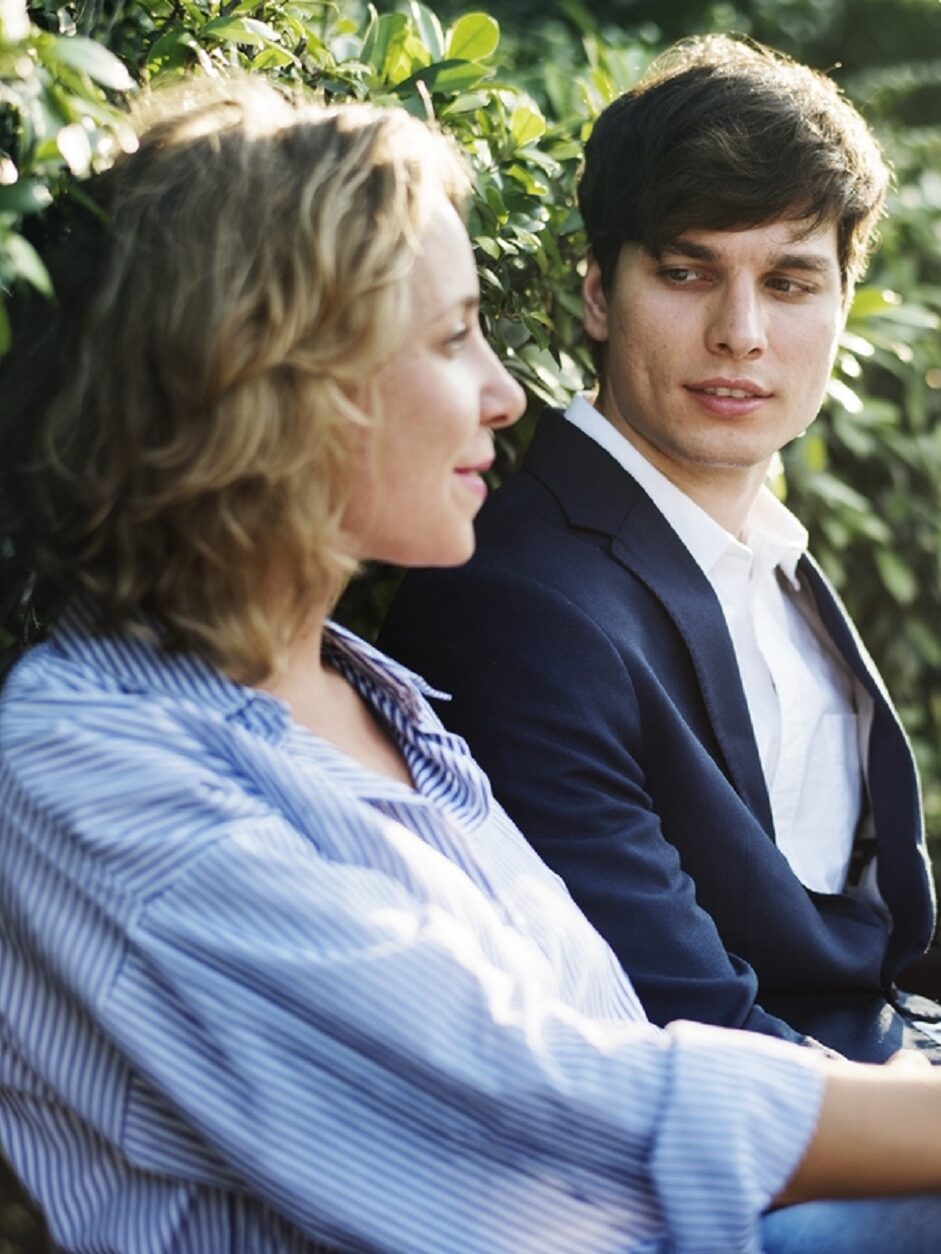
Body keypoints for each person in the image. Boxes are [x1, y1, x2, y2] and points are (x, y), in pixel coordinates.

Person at [2, 75, 941, 1254]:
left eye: (793, 280)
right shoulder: (89, 755)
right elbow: (554, 1098)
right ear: (268, 376)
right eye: (453, 339)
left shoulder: (373, 697)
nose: (506, 394)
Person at [380, 34, 941, 1063]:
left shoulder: (763, 546)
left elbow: (865, 933)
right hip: (758, 1171)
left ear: (840, 303)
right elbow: (682, 1029)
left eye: (787, 283)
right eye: (686, 272)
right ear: (597, 293)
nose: (738, 334)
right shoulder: (519, 606)